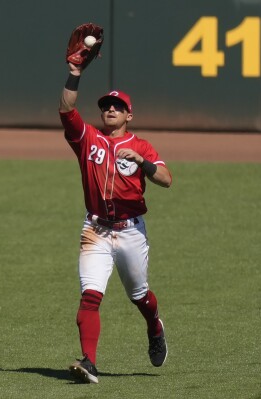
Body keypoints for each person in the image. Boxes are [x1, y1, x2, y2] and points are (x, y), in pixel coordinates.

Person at [59, 61, 173, 384]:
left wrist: (143, 162)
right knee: (90, 295)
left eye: (117, 106)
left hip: (130, 231)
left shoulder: (141, 146)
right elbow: (66, 110)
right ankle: (89, 363)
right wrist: (75, 73)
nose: (110, 109)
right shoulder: (87, 138)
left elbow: (166, 179)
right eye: (106, 106)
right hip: (95, 230)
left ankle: (155, 327)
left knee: (139, 296)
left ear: (128, 115)